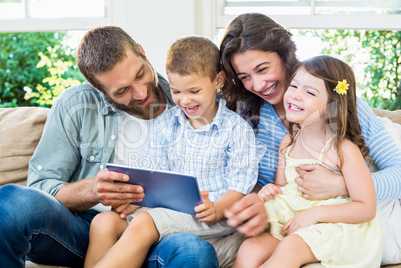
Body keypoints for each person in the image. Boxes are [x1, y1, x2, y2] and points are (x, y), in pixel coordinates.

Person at [0, 26, 219, 268]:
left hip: (160, 233)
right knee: (12, 203)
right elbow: (42, 188)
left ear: (142, 52)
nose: (141, 92)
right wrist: (94, 189)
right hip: (83, 231)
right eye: (122, 91)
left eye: (140, 74)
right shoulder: (75, 105)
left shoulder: (192, 102)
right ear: (98, 88)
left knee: (194, 252)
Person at [220, 13, 401, 265]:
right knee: (249, 250)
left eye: (263, 69)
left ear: (284, 56)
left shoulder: (342, 107)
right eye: (245, 77)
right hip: (287, 218)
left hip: (335, 225)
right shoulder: (245, 114)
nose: (258, 84)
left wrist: (340, 185)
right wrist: (257, 200)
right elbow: (260, 183)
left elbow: (399, 173)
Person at [84, 36, 262, 268]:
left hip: (213, 216)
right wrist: (135, 201)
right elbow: (155, 175)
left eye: (194, 91)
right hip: (169, 210)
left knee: (144, 223)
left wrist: (217, 209)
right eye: (176, 91)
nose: (185, 100)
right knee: (103, 222)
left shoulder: (237, 129)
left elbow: (240, 184)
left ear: (218, 80)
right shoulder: (167, 123)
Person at [233, 55, 383, 267]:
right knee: (250, 249)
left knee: (291, 247)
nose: (295, 95)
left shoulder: (343, 149)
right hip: (293, 219)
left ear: (332, 104)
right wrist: (269, 191)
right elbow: (282, 188)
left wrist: (315, 213)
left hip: (334, 225)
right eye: (294, 86)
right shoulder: (288, 141)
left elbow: (366, 208)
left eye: (310, 92)